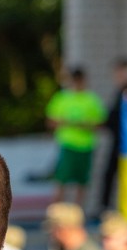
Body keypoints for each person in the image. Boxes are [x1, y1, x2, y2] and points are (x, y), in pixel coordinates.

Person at [46, 67, 107, 206]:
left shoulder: (91, 100)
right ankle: (56, 212)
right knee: (61, 179)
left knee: (82, 182)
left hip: (86, 146)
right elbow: (51, 121)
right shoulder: (62, 98)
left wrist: (84, 125)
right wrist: (67, 122)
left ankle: (78, 214)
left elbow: (101, 124)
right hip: (68, 145)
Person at [98, 58, 127, 213]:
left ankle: (126, 208)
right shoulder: (122, 91)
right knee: (110, 174)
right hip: (119, 139)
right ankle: (105, 207)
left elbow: (125, 116)